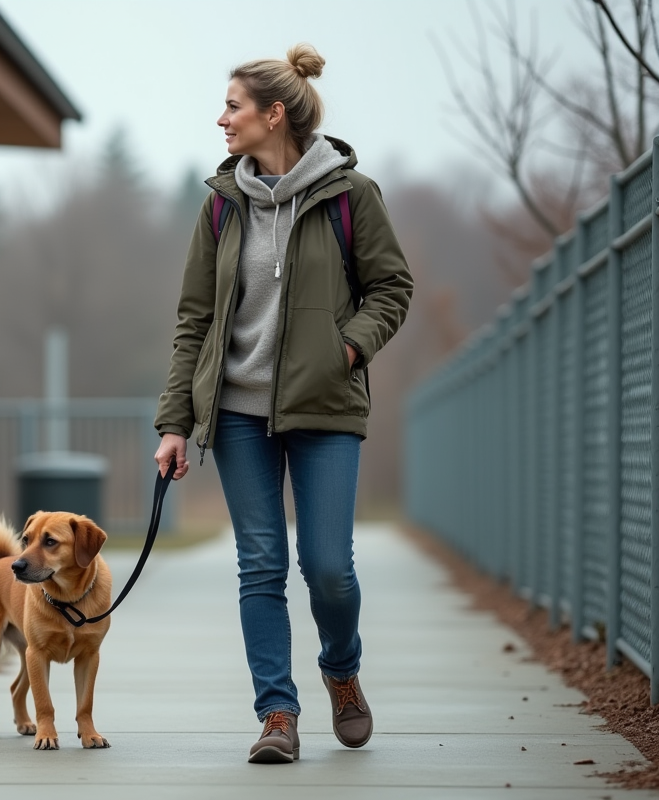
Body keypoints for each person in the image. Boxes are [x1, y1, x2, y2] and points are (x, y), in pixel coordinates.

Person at [153, 43, 413, 764]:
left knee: (328, 566)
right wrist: (176, 421)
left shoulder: (349, 196)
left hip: (325, 405)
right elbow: (194, 321)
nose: (221, 120)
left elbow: (393, 288)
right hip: (236, 413)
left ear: (274, 114)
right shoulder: (221, 206)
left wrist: (348, 349)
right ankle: (277, 714)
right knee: (261, 563)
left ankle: (341, 669)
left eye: (232, 107)